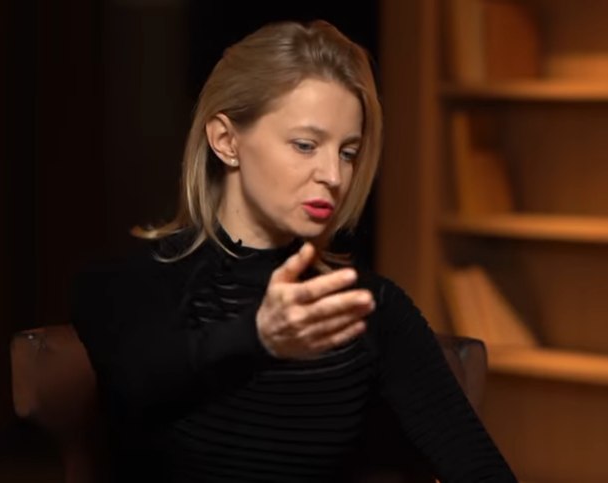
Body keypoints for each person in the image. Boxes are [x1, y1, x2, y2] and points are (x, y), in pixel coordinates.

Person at [71, 19, 516, 482]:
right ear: (225, 141)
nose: (334, 176)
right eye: (306, 145)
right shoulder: (128, 284)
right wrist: (258, 337)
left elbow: (480, 470)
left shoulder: (367, 307)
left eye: (347, 152)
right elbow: (136, 382)